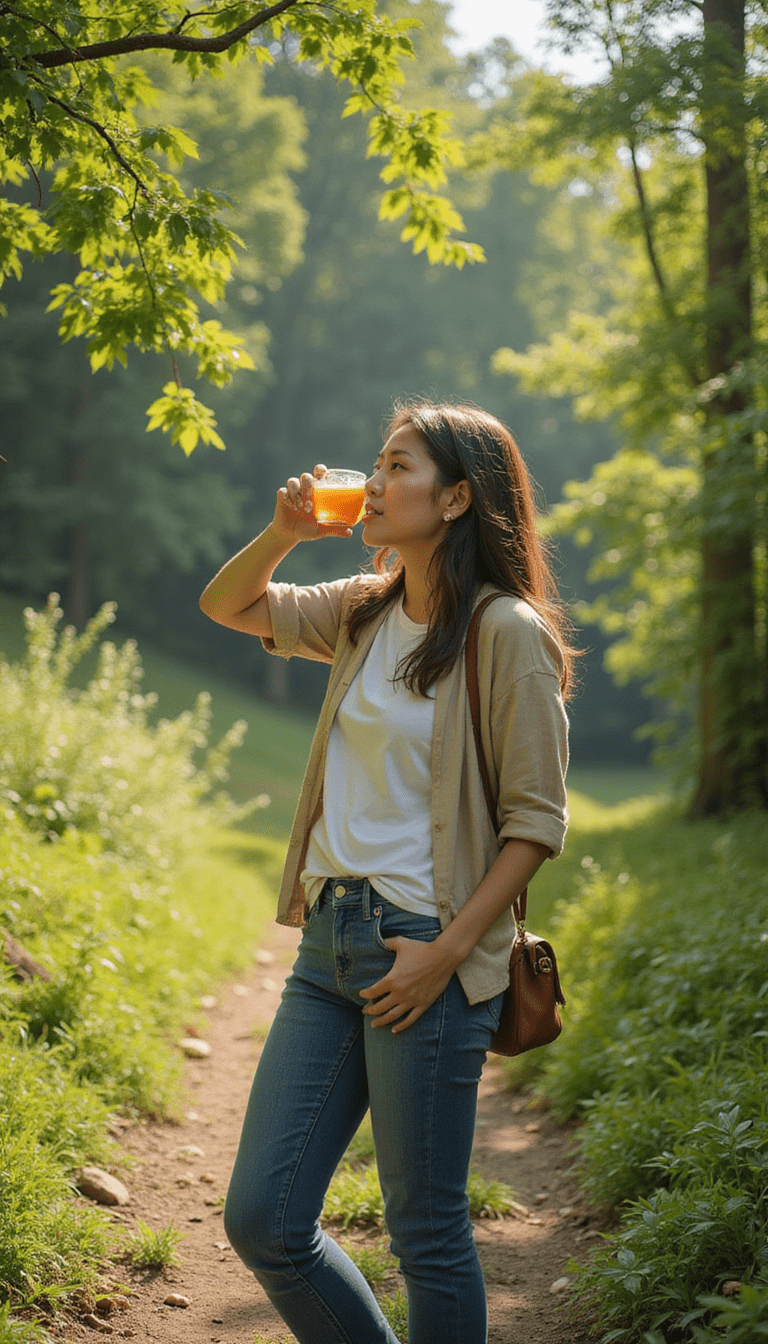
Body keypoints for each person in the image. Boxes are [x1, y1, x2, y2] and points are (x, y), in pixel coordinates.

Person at [199, 400, 573, 1344]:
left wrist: (446, 955)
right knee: (265, 1220)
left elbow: (536, 824)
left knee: (426, 1231)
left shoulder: (507, 633)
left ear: (454, 498)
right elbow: (227, 605)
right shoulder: (364, 611)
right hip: (329, 946)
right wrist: (284, 531)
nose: (371, 482)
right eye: (373, 462)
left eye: (396, 466)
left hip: (426, 958)